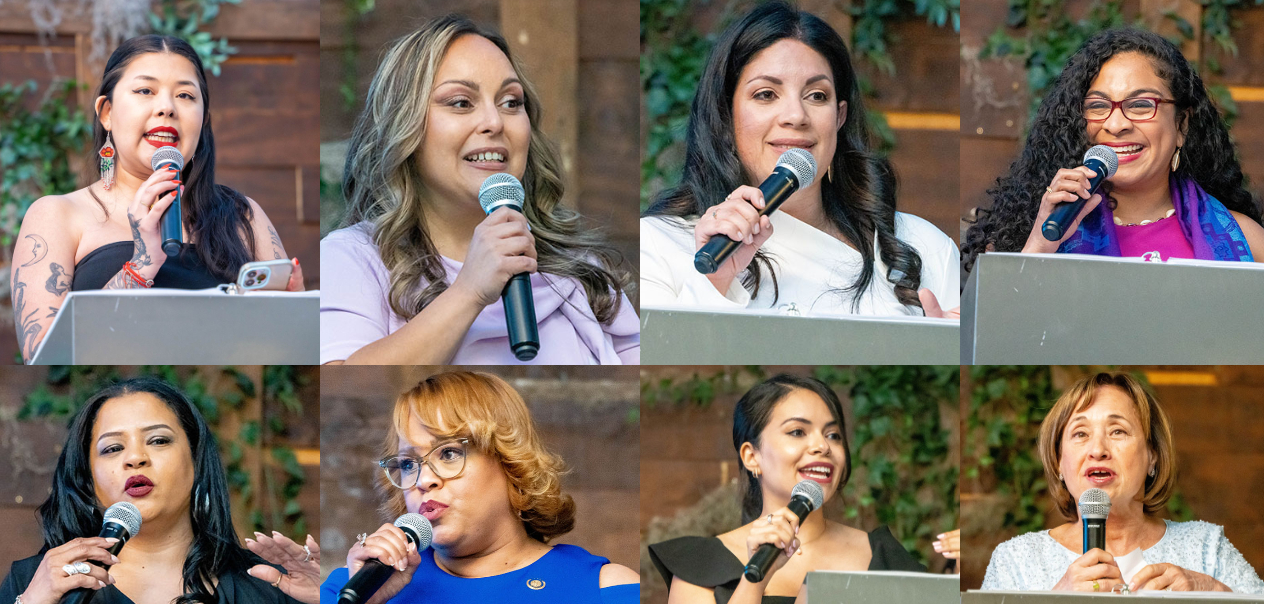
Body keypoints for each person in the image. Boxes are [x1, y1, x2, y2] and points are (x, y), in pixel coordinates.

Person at [319, 371, 640, 604]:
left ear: (510, 463)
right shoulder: (351, 589)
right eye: (409, 463)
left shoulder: (609, 592)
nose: (424, 480)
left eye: (450, 453)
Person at [321, 15, 639, 365]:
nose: (494, 122)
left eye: (511, 102)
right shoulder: (354, 258)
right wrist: (469, 291)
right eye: (461, 102)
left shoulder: (581, 270)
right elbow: (343, 380)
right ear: (404, 124)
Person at [641, 2, 959, 320]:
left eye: (817, 96)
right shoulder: (659, 244)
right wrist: (714, 281)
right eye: (765, 94)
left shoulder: (923, 245)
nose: (796, 116)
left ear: (839, 117)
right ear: (726, 116)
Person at [648, 374, 926, 604]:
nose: (822, 446)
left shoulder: (882, 554)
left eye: (833, 434)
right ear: (752, 456)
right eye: (798, 432)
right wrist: (756, 578)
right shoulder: (700, 563)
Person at [9, 35, 305, 364]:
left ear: (203, 120)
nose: (167, 107)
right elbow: (45, 357)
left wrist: (294, 316)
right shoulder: (57, 215)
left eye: (185, 95)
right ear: (106, 112)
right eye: (145, 91)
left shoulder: (243, 215)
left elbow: (286, 351)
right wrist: (140, 265)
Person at [0, 377, 320, 604]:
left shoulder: (275, 588)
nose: (135, 458)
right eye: (112, 448)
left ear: (195, 460)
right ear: (88, 479)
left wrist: (327, 600)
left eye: (158, 440)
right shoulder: (33, 582)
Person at [964, 28, 1264, 271]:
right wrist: (1041, 243)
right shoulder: (1037, 234)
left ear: (1182, 125)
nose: (1116, 124)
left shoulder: (1246, 241)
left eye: (1141, 105)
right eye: (1098, 106)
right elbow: (1001, 337)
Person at [981, 372, 1264, 594]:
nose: (1098, 449)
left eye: (1118, 431)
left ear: (1152, 457)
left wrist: (1212, 592)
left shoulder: (1205, 548)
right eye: (1080, 434)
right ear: (1059, 462)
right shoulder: (1016, 561)